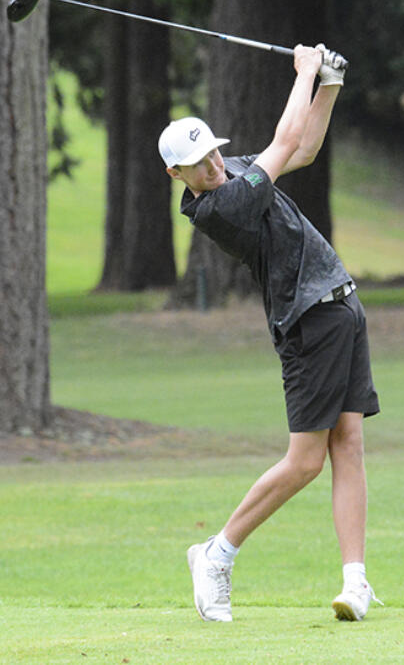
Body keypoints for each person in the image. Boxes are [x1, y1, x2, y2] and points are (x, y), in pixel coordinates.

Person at [158, 44, 381, 623]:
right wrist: (305, 73)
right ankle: (216, 553)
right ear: (176, 176)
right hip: (307, 321)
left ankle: (355, 582)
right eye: (197, 165)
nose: (211, 167)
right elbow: (284, 143)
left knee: (349, 443)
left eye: (212, 154)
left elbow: (303, 147)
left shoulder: (233, 172)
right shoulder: (223, 205)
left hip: (340, 306)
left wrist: (328, 83)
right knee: (306, 461)